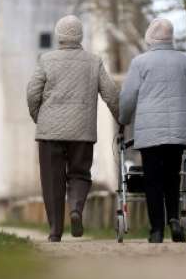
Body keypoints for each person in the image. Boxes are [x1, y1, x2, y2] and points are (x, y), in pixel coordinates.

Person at [26, 15, 120, 242]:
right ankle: (76, 209)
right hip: (82, 131)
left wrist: (39, 118)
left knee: (52, 180)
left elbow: (32, 93)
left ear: (59, 35)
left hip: (50, 132)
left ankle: (55, 231)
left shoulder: (46, 60)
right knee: (79, 174)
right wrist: (121, 117)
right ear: (80, 36)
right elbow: (110, 94)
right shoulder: (94, 61)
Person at [119, 18, 186, 243]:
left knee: (152, 180)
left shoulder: (140, 63)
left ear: (150, 37)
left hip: (149, 135)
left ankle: (157, 229)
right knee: (172, 177)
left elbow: (128, 98)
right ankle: (175, 220)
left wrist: (124, 119)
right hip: (178, 132)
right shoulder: (185, 61)